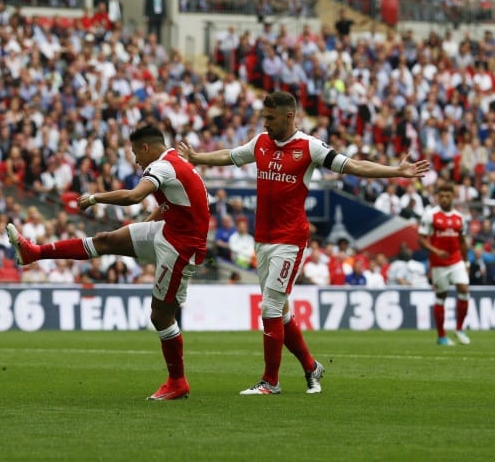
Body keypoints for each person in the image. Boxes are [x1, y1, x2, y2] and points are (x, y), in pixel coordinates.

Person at [177, 90, 430, 395]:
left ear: (289, 116)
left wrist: (396, 172)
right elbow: (229, 156)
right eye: (263, 117)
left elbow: (353, 166)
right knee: (280, 311)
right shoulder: (260, 143)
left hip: (291, 239)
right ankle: (311, 367)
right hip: (263, 238)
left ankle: (270, 381)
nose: (265, 123)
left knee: (269, 307)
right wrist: (196, 158)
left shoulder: (310, 147)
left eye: (270, 118)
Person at [7, 125, 209, 401]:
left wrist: (94, 197)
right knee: (105, 240)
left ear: (146, 148)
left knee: (161, 315)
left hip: (181, 247)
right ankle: (34, 253)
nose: (136, 159)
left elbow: (133, 196)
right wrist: (147, 226)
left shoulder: (162, 167)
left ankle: (178, 382)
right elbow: (175, 202)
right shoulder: (177, 162)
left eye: (136, 153)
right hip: (169, 231)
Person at [418, 183, 471, 346]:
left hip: (456, 260)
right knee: (441, 296)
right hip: (438, 263)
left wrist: (466, 261)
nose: (445, 199)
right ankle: (441, 336)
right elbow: (421, 240)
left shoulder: (459, 218)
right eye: (441, 196)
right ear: (437, 197)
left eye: (448, 196)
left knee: (464, 290)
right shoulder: (430, 215)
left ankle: (459, 329)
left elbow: (462, 242)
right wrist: (435, 251)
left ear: (453, 197)